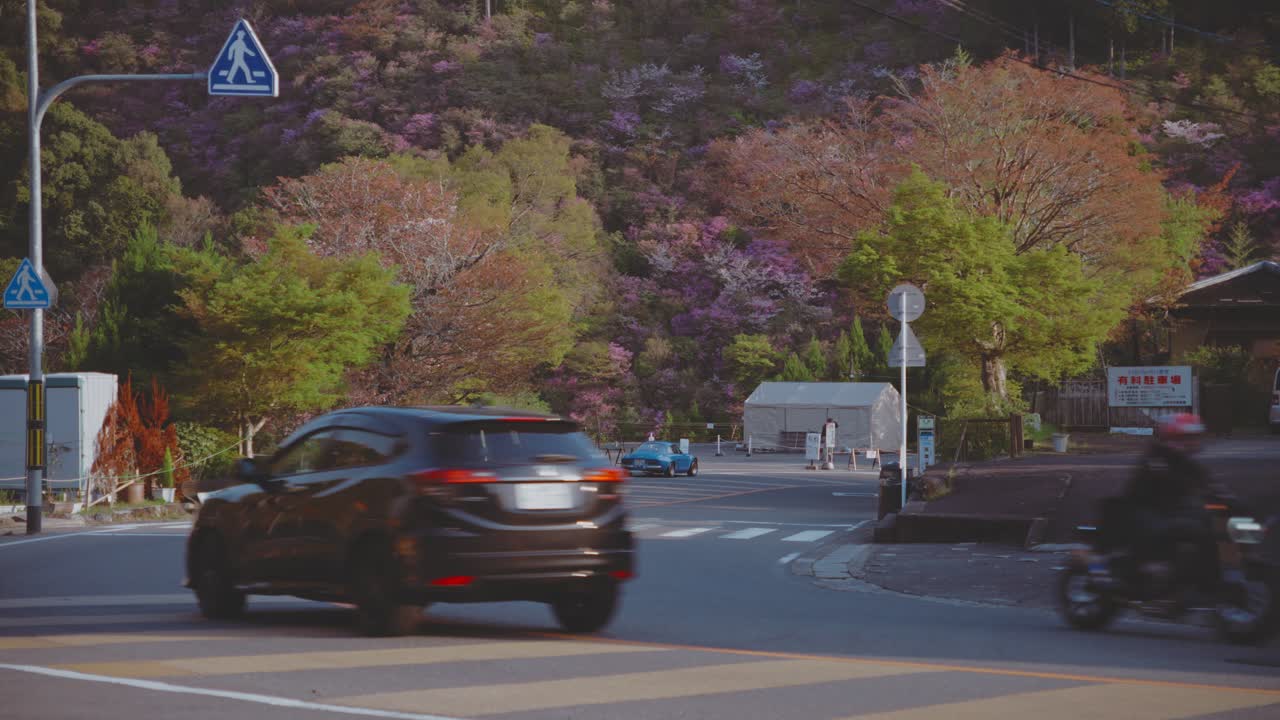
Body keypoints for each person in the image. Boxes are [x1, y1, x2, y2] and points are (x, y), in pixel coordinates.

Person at [1119, 413, 1222, 594]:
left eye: (1195, 438)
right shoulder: (1158, 460)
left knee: (1203, 526)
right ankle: (1151, 572)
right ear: (1173, 438)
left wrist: (1223, 496)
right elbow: (1171, 485)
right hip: (1143, 511)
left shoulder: (1184, 461)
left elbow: (1206, 482)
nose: (1193, 442)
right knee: (1186, 528)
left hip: (1167, 512)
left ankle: (1192, 578)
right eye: (1188, 438)